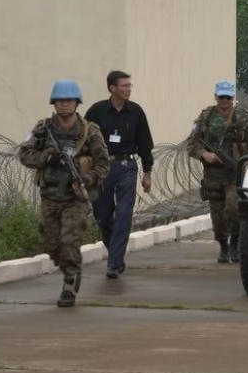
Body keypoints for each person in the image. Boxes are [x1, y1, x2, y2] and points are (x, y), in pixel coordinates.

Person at [18, 80, 110, 307]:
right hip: (49, 197)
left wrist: (86, 179)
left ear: (77, 102)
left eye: (69, 100)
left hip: (74, 198)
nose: (65, 104)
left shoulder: (89, 131)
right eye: (60, 100)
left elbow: (103, 164)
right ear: (54, 102)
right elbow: (23, 153)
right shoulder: (42, 128)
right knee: (51, 246)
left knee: (69, 242)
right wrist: (47, 157)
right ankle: (69, 269)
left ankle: (70, 282)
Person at [85, 71, 155, 279]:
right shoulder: (96, 111)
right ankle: (115, 253)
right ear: (112, 88)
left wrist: (147, 173)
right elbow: (83, 140)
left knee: (124, 214)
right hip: (101, 168)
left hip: (127, 166)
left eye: (129, 85)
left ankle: (113, 263)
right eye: (124, 85)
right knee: (103, 215)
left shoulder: (136, 112)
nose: (128, 89)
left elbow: (145, 144)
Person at [186, 80, 248, 263]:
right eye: (221, 97)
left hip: (235, 173)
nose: (224, 101)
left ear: (233, 97)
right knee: (217, 216)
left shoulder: (243, 117)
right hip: (213, 174)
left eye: (228, 97)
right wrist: (205, 154)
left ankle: (235, 242)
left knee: (234, 209)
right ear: (215, 97)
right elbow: (191, 144)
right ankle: (223, 247)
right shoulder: (206, 117)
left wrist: (247, 164)